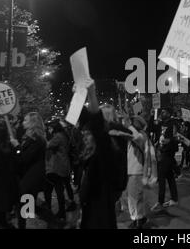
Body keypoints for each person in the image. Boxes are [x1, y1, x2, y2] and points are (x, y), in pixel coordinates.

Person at [76, 79, 132, 228]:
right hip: (95, 195)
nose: (86, 136)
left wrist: (91, 93)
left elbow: (94, 122)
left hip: (102, 192)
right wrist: (78, 96)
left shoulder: (110, 139)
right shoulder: (101, 139)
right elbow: (85, 120)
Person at [9, 112, 47, 229]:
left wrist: (16, 146)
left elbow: (24, 158)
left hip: (32, 177)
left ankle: (55, 221)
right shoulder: (29, 137)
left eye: (25, 120)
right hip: (27, 175)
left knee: (25, 204)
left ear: (33, 123)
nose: (22, 122)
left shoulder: (37, 139)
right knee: (26, 205)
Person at [151, 108, 179, 211]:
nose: (162, 113)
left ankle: (160, 201)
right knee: (170, 176)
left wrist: (170, 140)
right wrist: (152, 116)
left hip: (168, 153)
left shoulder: (174, 124)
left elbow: (177, 137)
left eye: (164, 112)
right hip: (161, 152)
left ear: (169, 113)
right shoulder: (161, 123)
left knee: (161, 176)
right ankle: (174, 199)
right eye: (161, 112)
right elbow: (152, 128)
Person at [44, 119, 71, 221]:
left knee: (56, 189)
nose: (49, 130)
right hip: (62, 165)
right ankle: (61, 212)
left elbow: (47, 145)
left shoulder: (58, 137)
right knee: (59, 189)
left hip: (58, 166)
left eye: (50, 128)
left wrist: (44, 139)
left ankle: (60, 212)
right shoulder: (63, 135)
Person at [125, 115, 149, 229]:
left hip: (136, 169)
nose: (131, 123)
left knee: (135, 197)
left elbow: (136, 138)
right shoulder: (135, 134)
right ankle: (137, 218)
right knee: (132, 196)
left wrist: (128, 125)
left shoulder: (141, 135)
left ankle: (138, 221)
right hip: (131, 169)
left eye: (133, 122)